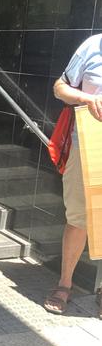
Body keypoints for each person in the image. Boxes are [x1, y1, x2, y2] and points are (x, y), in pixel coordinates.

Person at [43, 33, 102, 319]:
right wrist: (88, 98)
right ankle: (65, 284)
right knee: (79, 217)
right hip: (89, 145)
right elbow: (60, 88)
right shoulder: (93, 45)